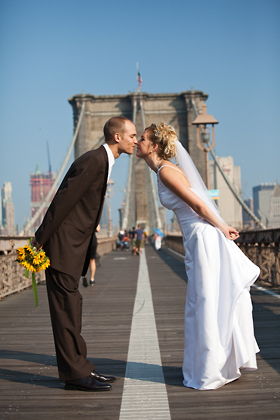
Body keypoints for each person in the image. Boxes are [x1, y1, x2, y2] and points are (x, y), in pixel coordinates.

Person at [136, 122, 260, 390]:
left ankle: (210, 369)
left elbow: (196, 203)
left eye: (142, 138)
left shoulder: (167, 172)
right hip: (196, 238)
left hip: (203, 238)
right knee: (206, 299)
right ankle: (217, 360)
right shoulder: (163, 170)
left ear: (154, 146)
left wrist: (222, 226)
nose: (137, 142)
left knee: (204, 301)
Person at [31, 116, 137, 392]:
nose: (136, 141)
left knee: (72, 308)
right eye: (133, 135)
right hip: (64, 247)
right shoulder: (93, 161)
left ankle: (82, 367)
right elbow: (63, 200)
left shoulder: (102, 162)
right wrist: (39, 240)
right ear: (117, 137)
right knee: (66, 311)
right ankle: (75, 375)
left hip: (73, 248)